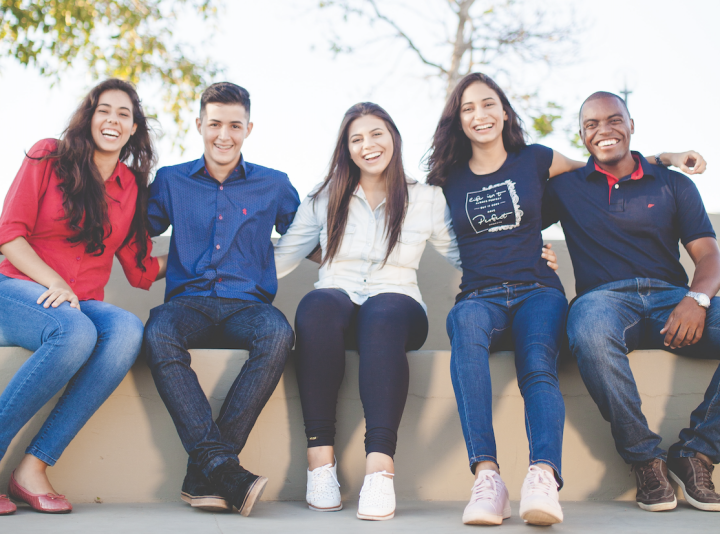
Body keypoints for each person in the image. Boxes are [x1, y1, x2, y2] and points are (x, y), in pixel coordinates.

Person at [425, 73, 700, 526]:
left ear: (505, 111)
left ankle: (543, 476)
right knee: (465, 331)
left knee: (537, 363)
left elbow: (604, 165)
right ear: (457, 119)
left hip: (538, 290)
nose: (480, 115)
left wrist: (665, 158)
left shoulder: (536, 160)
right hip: (479, 295)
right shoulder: (445, 179)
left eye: (489, 104)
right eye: (469, 108)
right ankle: (487, 478)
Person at [273, 102, 558, 521]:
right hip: (336, 301)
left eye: (376, 134)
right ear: (346, 148)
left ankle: (379, 470)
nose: (368, 145)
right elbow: (282, 257)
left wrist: (525, 257)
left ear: (393, 138)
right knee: (315, 306)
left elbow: (469, 254)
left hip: (398, 305)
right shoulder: (325, 196)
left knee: (383, 314)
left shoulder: (425, 198)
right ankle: (321, 464)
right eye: (356, 138)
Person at [543, 91, 719, 513]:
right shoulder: (565, 187)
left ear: (631, 124)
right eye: (591, 125)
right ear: (582, 136)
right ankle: (645, 460)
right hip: (603, 302)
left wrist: (697, 298)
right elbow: (514, 189)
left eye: (614, 120)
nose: (603, 130)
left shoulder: (673, 182)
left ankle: (697, 452)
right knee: (586, 329)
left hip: (673, 301)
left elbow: (709, 255)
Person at [0, 79, 165, 515]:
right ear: (90, 117)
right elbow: (9, 235)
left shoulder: (131, 186)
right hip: (18, 287)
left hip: (80, 301)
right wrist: (54, 281)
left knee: (128, 330)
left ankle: (32, 468)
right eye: (104, 110)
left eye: (123, 114)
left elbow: (140, 267)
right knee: (75, 333)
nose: (112, 120)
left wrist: (208, 255)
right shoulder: (48, 155)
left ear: (133, 129)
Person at [143, 82, 300, 517]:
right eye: (215, 124)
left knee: (278, 334)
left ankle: (208, 471)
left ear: (249, 128)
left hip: (248, 305)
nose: (224, 135)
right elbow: (133, 230)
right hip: (186, 303)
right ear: (199, 125)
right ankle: (225, 470)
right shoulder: (171, 180)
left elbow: (314, 234)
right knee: (157, 333)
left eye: (235, 125)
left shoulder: (275, 184)